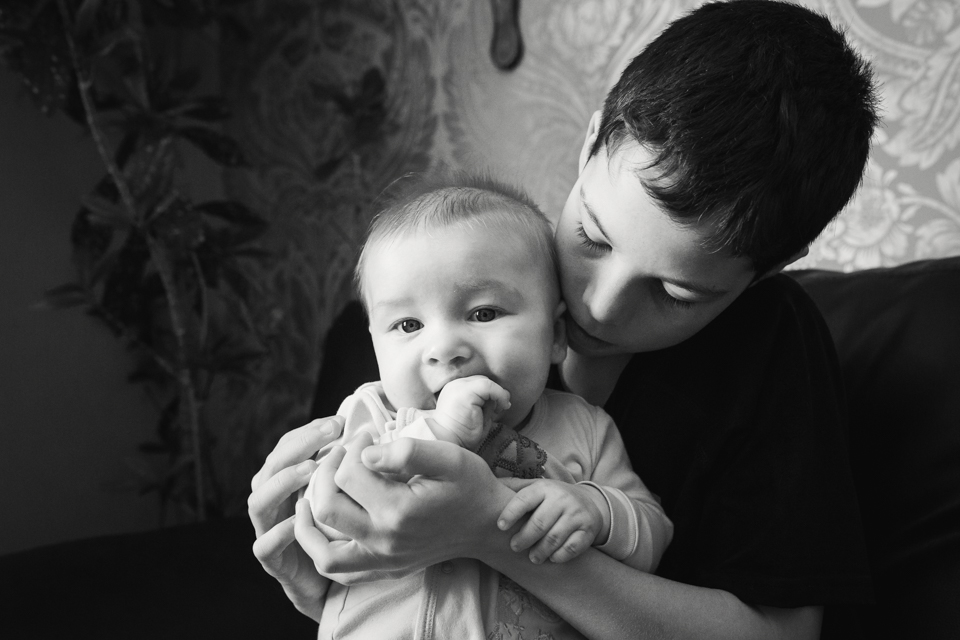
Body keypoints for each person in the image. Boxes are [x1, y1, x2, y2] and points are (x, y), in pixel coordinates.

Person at [249, 1, 879, 638]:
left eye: (675, 293)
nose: (598, 306)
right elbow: (357, 556)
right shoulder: (446, 291)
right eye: (593, 238)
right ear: (591, 139)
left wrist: (490, 532)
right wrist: (314, 576)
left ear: (766, 272)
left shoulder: (771, 345)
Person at [303, 175, 673, 638]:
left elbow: (653, 534)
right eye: (408, 324)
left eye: (483, 313)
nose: (444, 348)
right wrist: (441, 432)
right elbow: (326, 527)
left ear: (555, 336)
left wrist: (597, 511)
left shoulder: (585, 427)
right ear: (374, 341)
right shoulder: (368, 416)